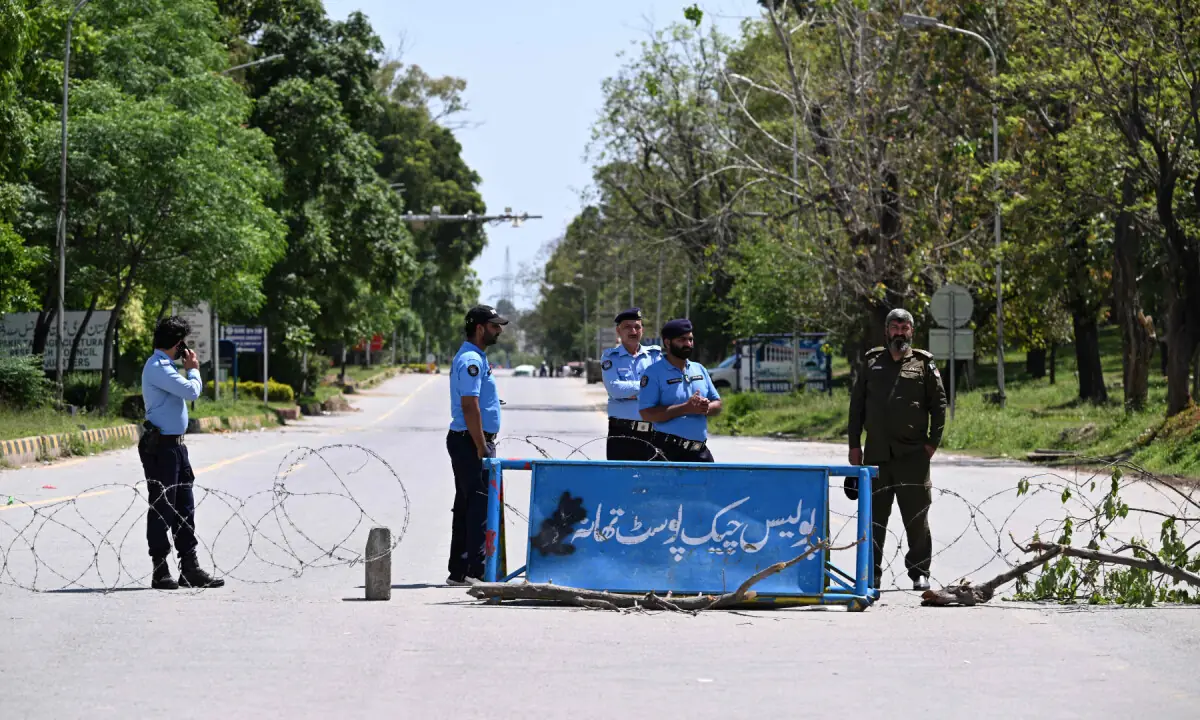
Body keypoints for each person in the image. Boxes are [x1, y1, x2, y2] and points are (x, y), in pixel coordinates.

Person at [846, 308, 947, 592]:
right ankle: (872, 573)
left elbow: (939, 406)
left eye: (905, 328)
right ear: (886, 330)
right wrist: (855, 446)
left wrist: (931, 444)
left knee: (916, 519)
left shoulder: (924, 364)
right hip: (876, 455)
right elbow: (856, 407)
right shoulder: (871, 363)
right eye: (895, 327)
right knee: (874, 518)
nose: (899, 333)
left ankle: (919, 573)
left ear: (912, 332)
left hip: (913, 457)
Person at [139, 316, 224, 590]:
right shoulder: (157, 367)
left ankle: (190, 566)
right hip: (161, 447)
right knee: (162, 507)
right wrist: (194, 369)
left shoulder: (167, 367)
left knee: (185, 508)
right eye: (181, 344)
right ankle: (160, 568)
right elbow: (191, 391)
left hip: (176, 446)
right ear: (176, 344)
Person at [445, 304, 507, 586]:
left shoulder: (476, 358)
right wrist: (482, 445)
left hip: (471, 440)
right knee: (479, 506)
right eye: (494, 326)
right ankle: (475, 570)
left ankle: (459, 570)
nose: (499, 331)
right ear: (480, 328)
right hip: (472, 441)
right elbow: (470, 406)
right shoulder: (471, 359)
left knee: (468, 503)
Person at [638, 318, 722, 462]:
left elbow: (718, 404)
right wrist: (686, 408)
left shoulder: (699, 369)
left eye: (690, 339)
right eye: (682, 340)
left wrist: (705, 407)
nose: (688, 344)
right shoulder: (653, 373)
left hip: (699, 452)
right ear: (667, 342)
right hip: (667, 452)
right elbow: (647, 414)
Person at [601, 308, 663, 461]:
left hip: (653, 432)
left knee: (651, 481)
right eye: (627, 327)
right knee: (620, 480)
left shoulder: (654, 355)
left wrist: (630, 393)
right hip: (621, 432)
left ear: (642, 330)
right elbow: (615, 389)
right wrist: (648, 390)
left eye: (637, 327)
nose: (633, 331)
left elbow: (663, 388)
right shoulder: (611, 357)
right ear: (618, 331)